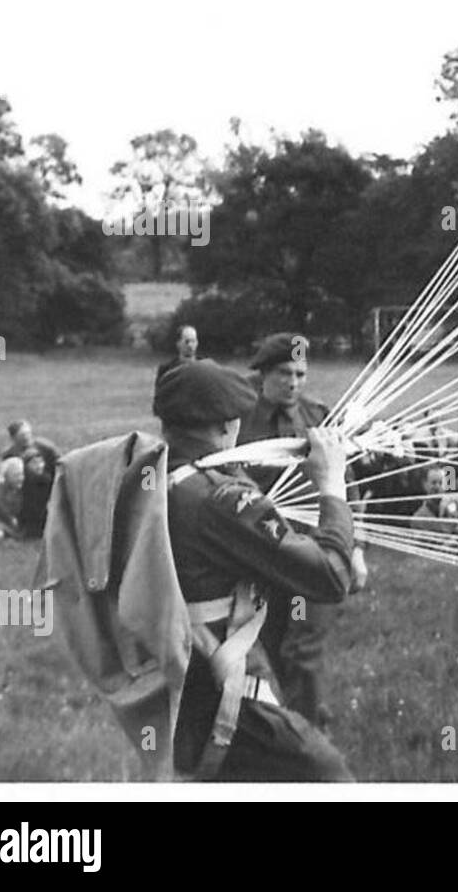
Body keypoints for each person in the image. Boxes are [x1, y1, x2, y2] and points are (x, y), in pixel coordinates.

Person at [153, 359, 355, 780]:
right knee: (326, 774)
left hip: (168, 680)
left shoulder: (153, 476)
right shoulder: (220, 499)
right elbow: (331, 576)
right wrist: (332, 484)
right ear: (228, 425)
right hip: (218, 687)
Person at [238, 331, 367, 729]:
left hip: (315, 549)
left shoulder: (317, 417)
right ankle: (306, 712)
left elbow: (346, 484)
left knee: (301, 647)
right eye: (283, 374)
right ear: (263, 374)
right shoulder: (241, 422)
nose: (293, 383)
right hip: (265, 553)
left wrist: (356, 547)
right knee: (274, 644)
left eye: (300, 374)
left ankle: (307, 742)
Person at [18, 448, 54, 538]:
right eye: (34, 463)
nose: (39, 466)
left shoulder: (47, 480)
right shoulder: (24, 483)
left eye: (41, 462)